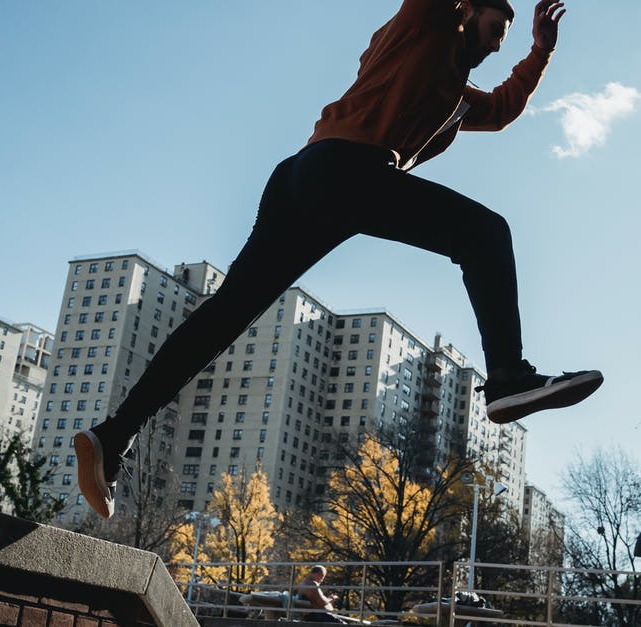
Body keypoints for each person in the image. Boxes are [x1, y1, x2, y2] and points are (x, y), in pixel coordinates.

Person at [75, 0, 603, 519]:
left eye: (502, 39)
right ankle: (508, 376)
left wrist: (539, 51)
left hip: (308, 182)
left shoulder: (456, 94)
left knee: (224, 317)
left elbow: (502, 109)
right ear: (468, 11)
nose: (494, 44)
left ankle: (113, 436)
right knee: (485, 233)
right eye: (493, 29)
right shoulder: (425, 24)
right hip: (344, 169)